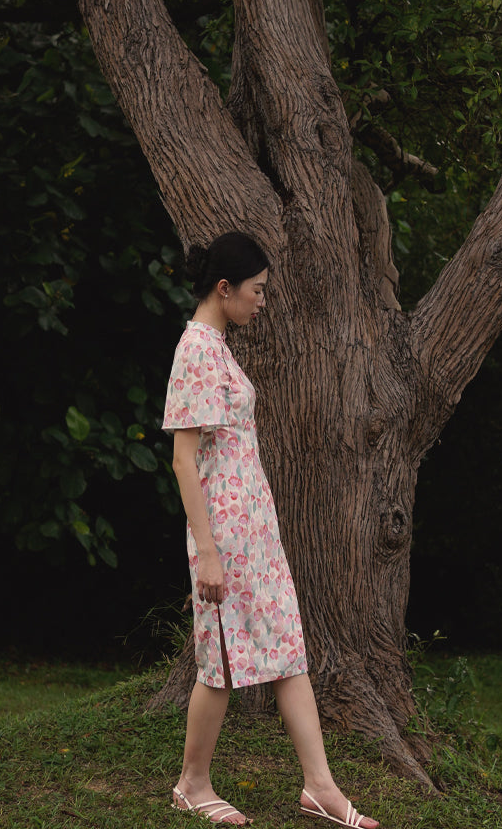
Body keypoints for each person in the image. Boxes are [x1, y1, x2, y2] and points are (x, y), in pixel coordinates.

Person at [162, 231, 379, 829]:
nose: (263, 300)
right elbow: (185, 459)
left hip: (257, 533)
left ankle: (320, 787)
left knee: (288, 651)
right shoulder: (197, 350)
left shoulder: (221, 346)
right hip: (223, 540)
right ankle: (192, 784)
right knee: (223, 664)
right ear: (224, 288)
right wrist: (206, 552)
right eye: (257, 291)